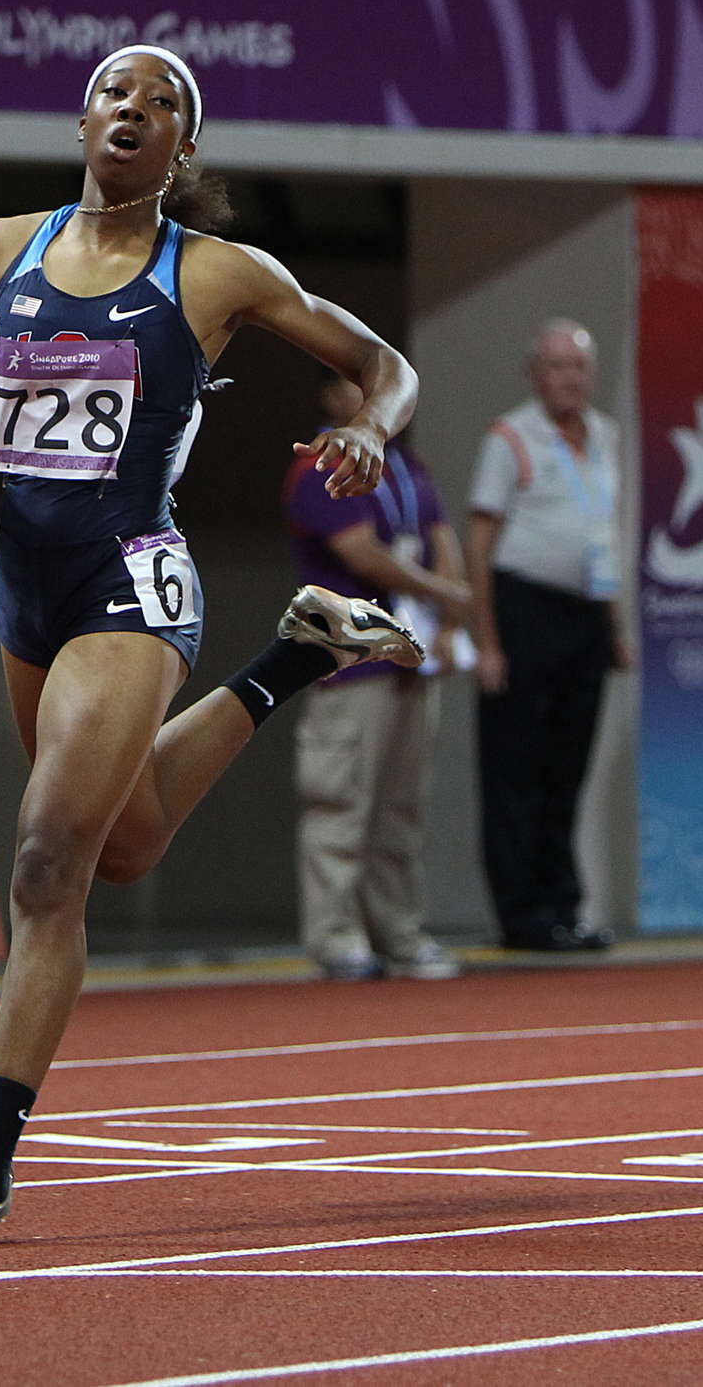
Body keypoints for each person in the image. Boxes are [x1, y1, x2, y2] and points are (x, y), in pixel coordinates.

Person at [0, 45, 425, 1250]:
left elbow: (383, 364)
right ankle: (297, 655)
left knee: (45, 868)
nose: (136, 108)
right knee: (121, 847)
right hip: (24, 587)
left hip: (127, 581)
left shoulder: (213, 272)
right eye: (117, 91)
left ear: (183, 149)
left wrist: (373, 429)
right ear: (82, 121)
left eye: (163, 102)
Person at [285, 373, 470, 982]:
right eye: (357, 383)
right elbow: (360, 551)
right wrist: (443, 592)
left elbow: (440, 536)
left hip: (409, 661)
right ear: (330, 396)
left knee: (401, 808)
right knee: (339, 802)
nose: (373, 396)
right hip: (350, 664)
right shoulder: (319, 465)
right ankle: (335, 937)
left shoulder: (407, 465)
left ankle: (400, 933)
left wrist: (449, 616)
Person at [467, 321, 628, 953]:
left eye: (579, 367)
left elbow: (603, 534)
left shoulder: (607, 436)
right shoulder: (510, 437)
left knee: (568, 769)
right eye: (558, 367)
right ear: (536, 375)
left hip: (585, 616)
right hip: (525, 611)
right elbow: (479, 543)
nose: (570, 379)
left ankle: (563, 906)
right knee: (518, 769)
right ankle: (521, 912)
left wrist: (614, 626)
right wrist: (488, 641)